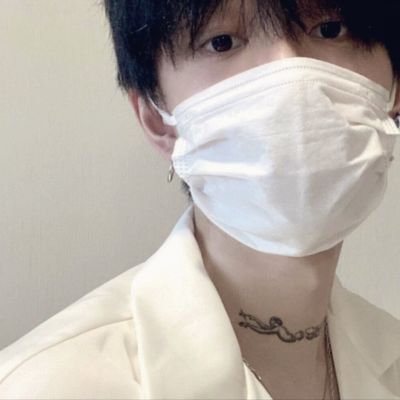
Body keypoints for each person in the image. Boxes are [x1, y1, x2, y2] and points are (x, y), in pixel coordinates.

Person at [1, 0, 400, 399]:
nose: (290, 76)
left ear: (395, 91)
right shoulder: (49, 384)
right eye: (221, 42)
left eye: (330, 29)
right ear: (157, 119)